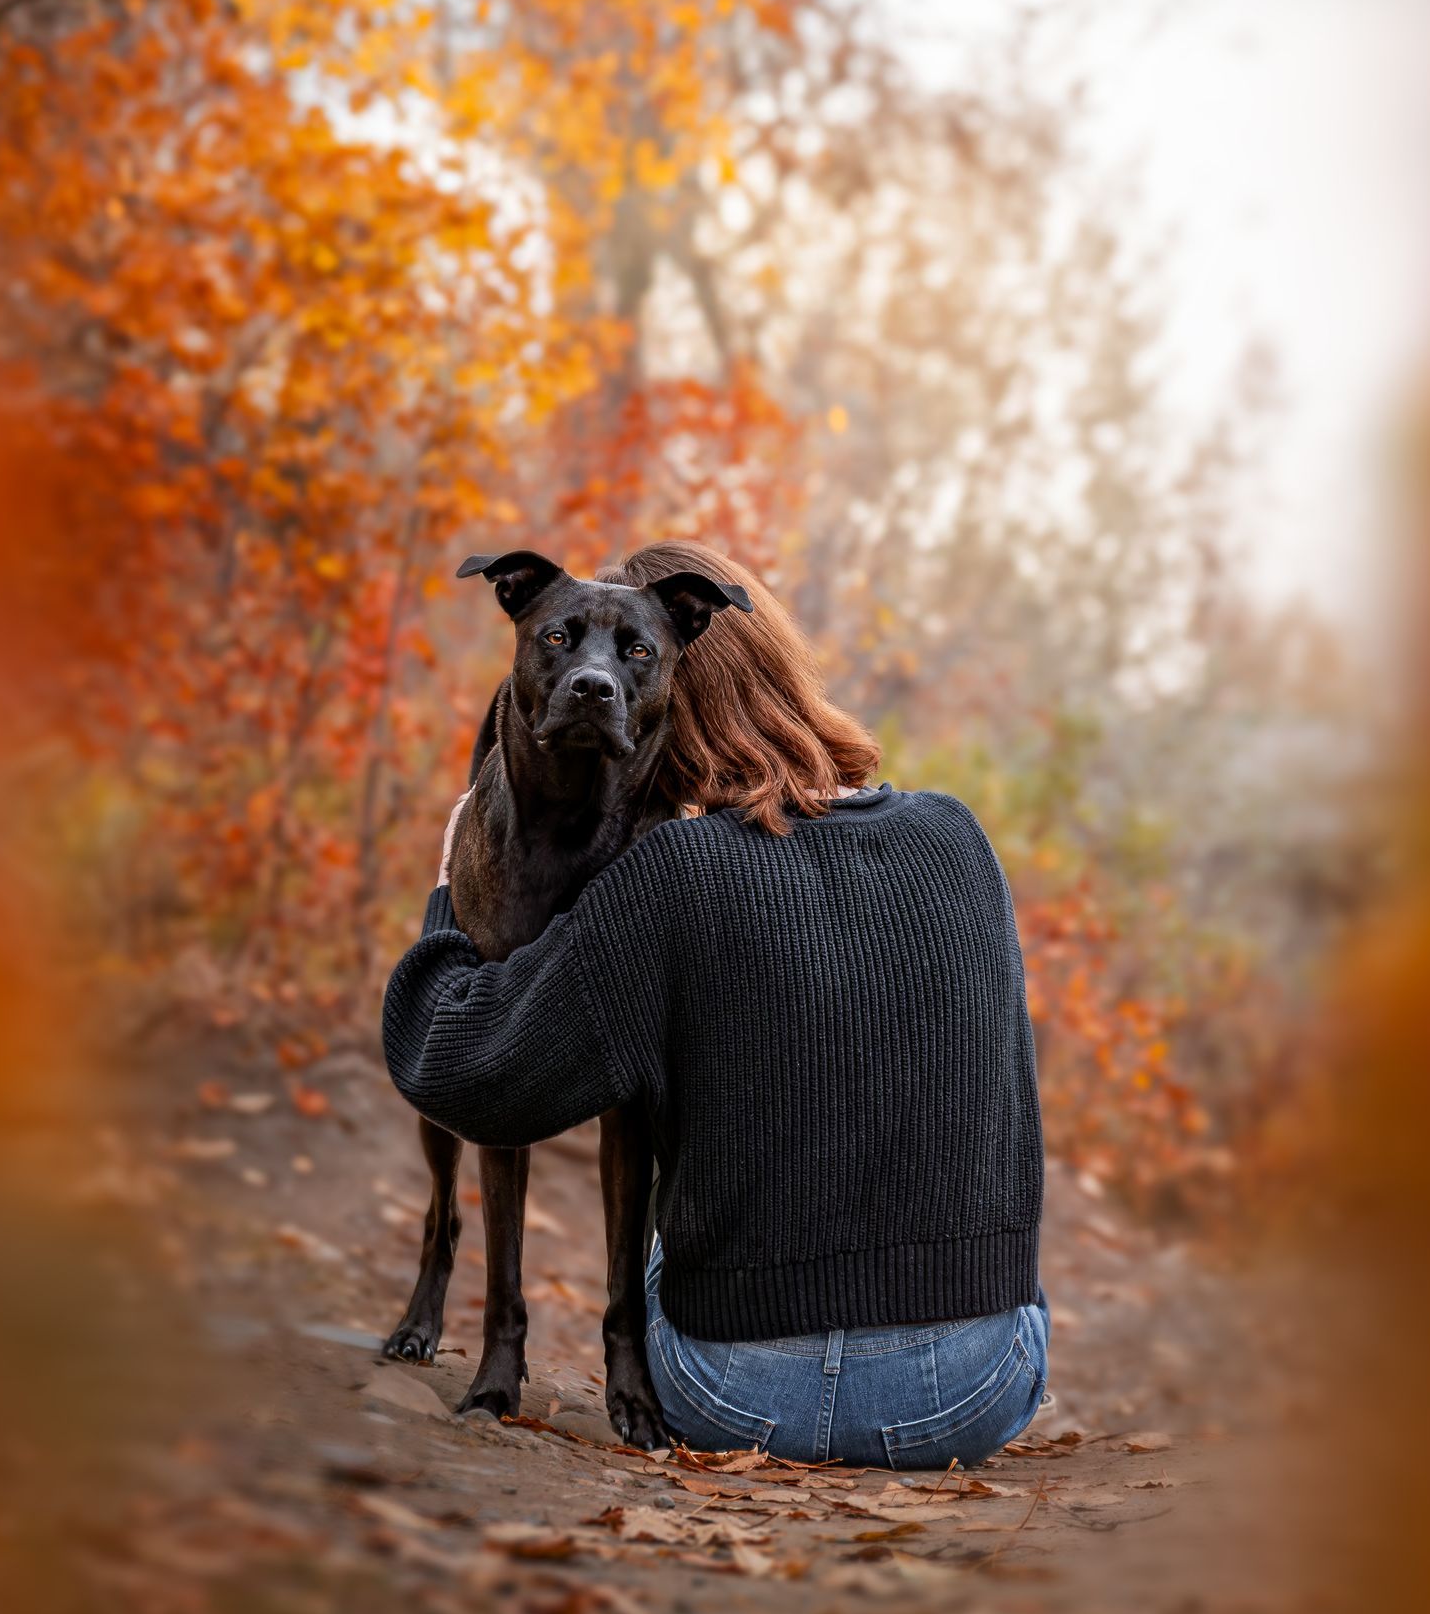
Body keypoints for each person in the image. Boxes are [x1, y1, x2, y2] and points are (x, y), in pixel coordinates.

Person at [382, 539, 1050, 1467]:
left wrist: (451, 876)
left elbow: (465, 1067)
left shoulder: (672, 874)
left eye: (635, 663)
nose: (599, 682)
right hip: (974, 1391)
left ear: (674, 707)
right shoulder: (959, 837)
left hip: (734, 1392)